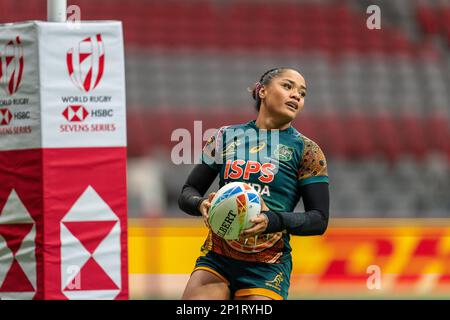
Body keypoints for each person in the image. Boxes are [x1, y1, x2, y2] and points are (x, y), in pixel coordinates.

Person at [178, 67, 330, 300]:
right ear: (262, 91)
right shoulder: (225, 136)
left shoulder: (307, 150)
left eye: (302, 93)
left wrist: (273, 220)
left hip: (267, 267)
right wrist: (201, 205)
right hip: (217, 257)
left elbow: (319, 219)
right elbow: (188, 192)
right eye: (288, 86)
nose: (297, 96)